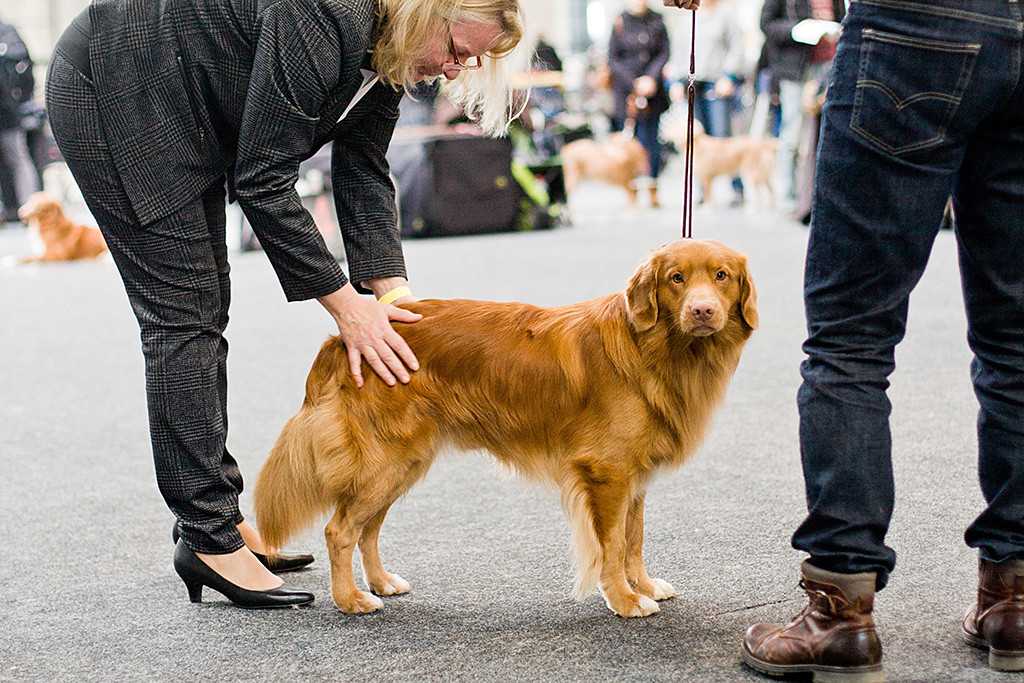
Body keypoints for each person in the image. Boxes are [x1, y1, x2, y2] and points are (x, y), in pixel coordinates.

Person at [46, 0, 523, 609]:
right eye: (457, 51)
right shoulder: (326, 15)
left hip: (187, 97)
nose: (456, 70)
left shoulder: (391, 44)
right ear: (426, 12)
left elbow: (363, 167)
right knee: (183, 315)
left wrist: (398, 300)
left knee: (201, 310)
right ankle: (207, 538)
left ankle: (215, 517)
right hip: (118, 84)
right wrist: (348, 307)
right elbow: (264, 178)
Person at [738, 0, 1024, 678]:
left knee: (851, 337)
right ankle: (1013, 599)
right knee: (1016, 339)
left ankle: (840, 611)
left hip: (918, 23)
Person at [759, 0, 844, 215]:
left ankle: (819, 195)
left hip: (830, 67)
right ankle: (789, 197)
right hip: (795, 69)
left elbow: (843, 20)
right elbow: (766, 24)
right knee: (792, 134)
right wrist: (798, 30)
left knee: (826, 136)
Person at [669, 0, 746, 205]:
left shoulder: (725, 14)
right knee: (696, 142)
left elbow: (736, 47)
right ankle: (703, 191)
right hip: (692, 85)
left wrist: (729, 76)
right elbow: (678, 51)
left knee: (722, 139)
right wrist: (675, 81)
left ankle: (736, 188)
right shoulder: (686, 17)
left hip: (717, 84)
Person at [607, 0, 670, 207]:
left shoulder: (657, 20)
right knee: (629, 146)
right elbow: (613, 59)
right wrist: (633, 83)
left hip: (652, 92)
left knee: (651, 142)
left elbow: (663, 53)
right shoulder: (619, 22)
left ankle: (653, 188)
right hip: (627, 94)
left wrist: (650, 79)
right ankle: (631, 191)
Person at [0, 16, 40, 224]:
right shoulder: (8, 32)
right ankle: (28, 208)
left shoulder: (6, 33)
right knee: (19, 160)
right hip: (10, 113)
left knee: (18, 159)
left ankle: (30, 208)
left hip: (8, 114)